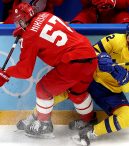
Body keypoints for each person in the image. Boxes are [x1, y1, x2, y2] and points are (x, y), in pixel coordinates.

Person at [0, 2, 97, 137]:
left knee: (43, 89)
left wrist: (6, 73)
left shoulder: (29, 36)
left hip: (72, 63)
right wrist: (26, 31)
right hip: (90, 56)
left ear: (22, 20)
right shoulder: (46, 15)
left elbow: (25, 71)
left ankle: (44, 124)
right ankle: (89, 120)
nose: (17, 25)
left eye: (18, 22)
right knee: (77, 93)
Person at [71, 21, 129, 146]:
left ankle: (91, 131)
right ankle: (40, 118)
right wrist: (100, 57)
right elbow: (89, 52)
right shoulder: (115, 39)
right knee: (64, 87)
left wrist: (126, 80)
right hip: (92, 79)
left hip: (111, 93)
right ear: (128, 37)